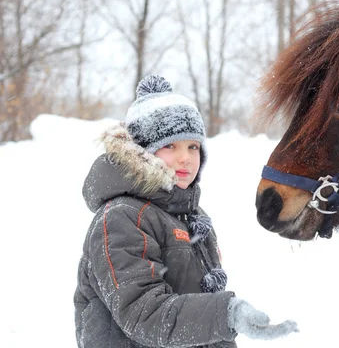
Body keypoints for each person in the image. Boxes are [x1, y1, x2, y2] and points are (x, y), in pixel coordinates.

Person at [74, 75, 298, 348]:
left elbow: (198, 306)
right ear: (142, 152)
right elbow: (144, 313)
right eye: (170, 146)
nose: (185, 158)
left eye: (193, 146)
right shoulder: (120, 217)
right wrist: (227, 314)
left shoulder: (189, 216)